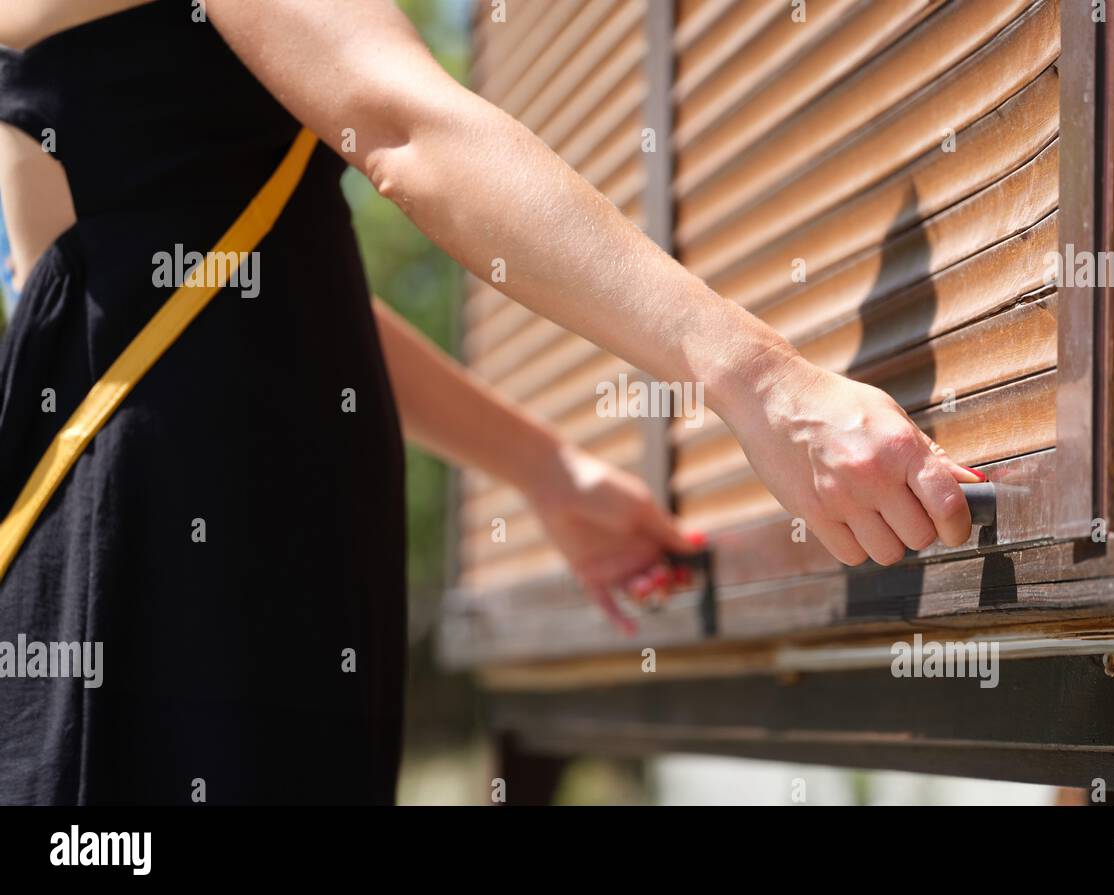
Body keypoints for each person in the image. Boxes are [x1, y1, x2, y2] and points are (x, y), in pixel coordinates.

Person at [0, 0, 981, 805]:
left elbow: (186, 291)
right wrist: (764, 382)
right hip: (188, 561)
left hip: (132, 529)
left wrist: (546, 470)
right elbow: (408, 132)